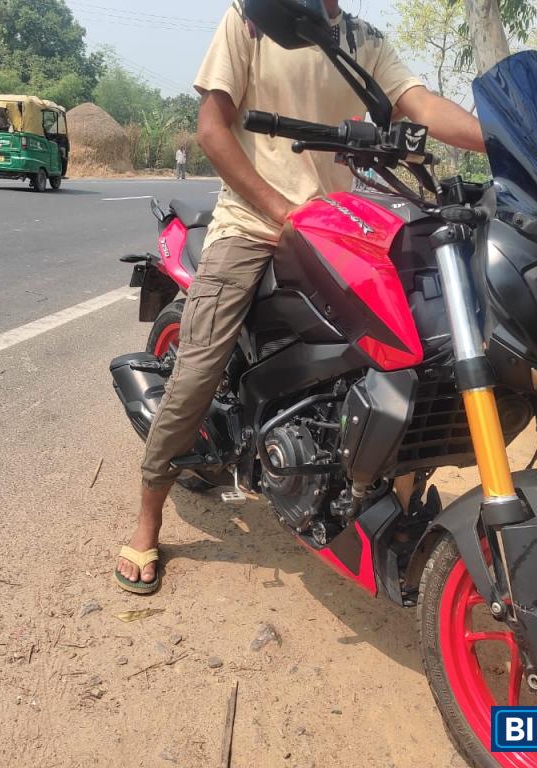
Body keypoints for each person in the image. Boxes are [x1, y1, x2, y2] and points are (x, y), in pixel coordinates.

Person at [114, 0, 486, 594]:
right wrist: (278, 209)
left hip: (335, 222)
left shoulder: (363, 40)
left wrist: (504, 141)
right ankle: (147, 515)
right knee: (198, 370)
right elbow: (212, 130)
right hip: (254, 222)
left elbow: (422, 104)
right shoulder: (253, 17)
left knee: (417, 348)